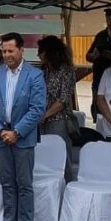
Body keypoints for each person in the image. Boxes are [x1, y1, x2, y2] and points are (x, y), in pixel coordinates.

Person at [0, 32, 47, 221]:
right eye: (4, 51)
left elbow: (37, 109)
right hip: (2, 136)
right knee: (7, 183)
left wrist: (16, 132)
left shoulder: (35, 75)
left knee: (24, 184)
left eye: (11, 50)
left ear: (22, 50)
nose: (7, 55)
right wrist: (0, 130)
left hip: (23, 137)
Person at [37, 35, 76, 179]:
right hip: (41, 119)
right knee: (44, 158)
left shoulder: (66, 70)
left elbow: (63, 99)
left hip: (58, 119)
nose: (38, 54)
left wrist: (45, 115)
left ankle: (67, 186)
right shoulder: (42, 70)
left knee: (61, 157)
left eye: (40, 51)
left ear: (49, 52)